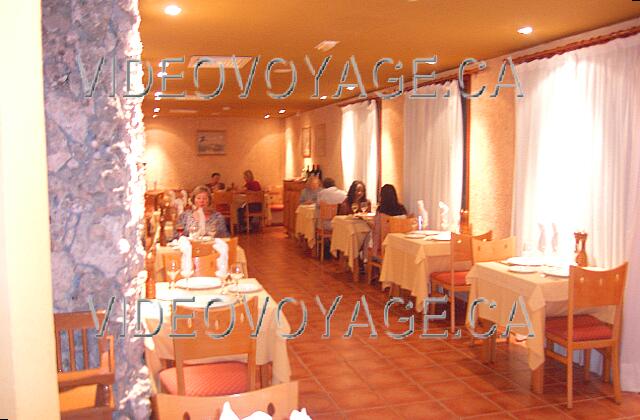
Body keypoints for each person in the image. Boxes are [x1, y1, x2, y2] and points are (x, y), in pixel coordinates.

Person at [372, 184, 407, 255]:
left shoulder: (381, 210)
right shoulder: (401, 209)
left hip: (384, 247)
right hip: (399, 247)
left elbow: (377, 232)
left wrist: (375, 251)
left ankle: (367, 260)